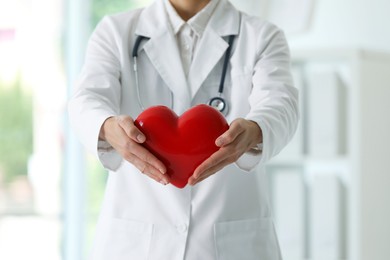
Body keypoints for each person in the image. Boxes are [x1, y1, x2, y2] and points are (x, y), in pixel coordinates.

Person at [68, 0, 299, 259]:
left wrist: (255, 129)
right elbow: (86, 100)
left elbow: (282, 104)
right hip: (136, 242)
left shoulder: (261, 36)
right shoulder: (115, 31)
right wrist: (107, 126)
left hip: (230, 243)